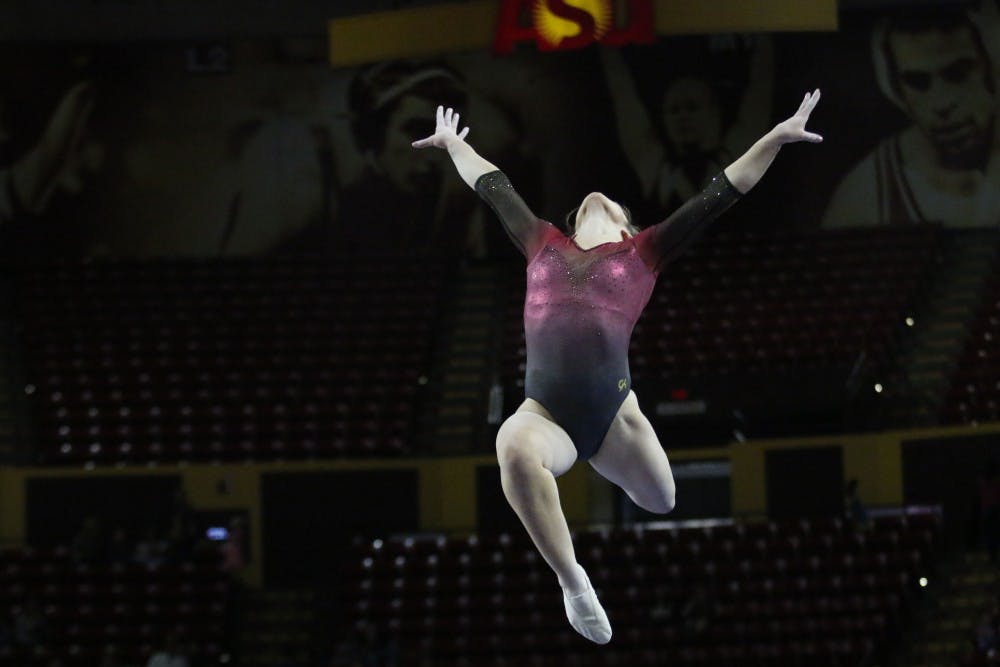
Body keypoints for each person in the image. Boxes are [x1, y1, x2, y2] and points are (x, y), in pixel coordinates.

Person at [412, 92, 823, 643]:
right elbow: (493, 185)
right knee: (511, 445)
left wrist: (774, 138)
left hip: (613, 416)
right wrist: (456, 145)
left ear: (628, 228)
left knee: (663, 499)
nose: (593, 202)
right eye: (581, 209)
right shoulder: (542, 242)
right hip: (547, 415)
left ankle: (610, 445)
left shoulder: (644, 252)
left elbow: (722, 191)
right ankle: (574, 583)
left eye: (607, 209)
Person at [823, 8, 999, 227]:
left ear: (992, 68)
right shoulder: (866, 193)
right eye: (918, 82)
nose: (941, 103)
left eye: (959, 73)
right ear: (896, 90)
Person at [980, 461, 1000, 563]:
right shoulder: (988, 484)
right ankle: (992, 555)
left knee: (992, 534)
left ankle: (992, 555)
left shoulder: (988, 484)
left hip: (992, 510)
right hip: (991, 510)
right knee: (992, 534)